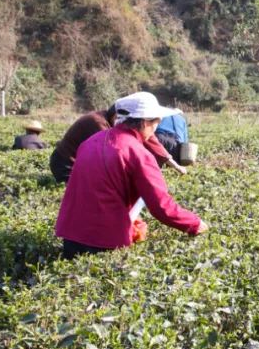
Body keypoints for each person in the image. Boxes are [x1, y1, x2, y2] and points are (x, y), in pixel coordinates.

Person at [55, 92, 207, 259]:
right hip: (103, 243)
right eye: (157, 121)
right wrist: (194, 223)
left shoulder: (90, 142)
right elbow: (161, 207)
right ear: (145, 122)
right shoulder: (138, 153)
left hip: (69, 237)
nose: (157, 127)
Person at [50, 103, 182, 182]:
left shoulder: (113, 122)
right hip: (65, 164)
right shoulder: (98, 123)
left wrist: (174, 165)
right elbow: (112, 152)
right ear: (115, 116)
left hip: (79, 164)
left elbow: (151, 141)